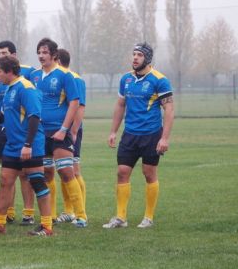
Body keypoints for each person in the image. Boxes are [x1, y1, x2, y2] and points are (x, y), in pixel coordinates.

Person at [104, 42, 174, 229]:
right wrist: (113, 131)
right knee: (122, 172)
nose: (135, 58)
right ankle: (120, 217)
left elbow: (169, 109)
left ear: (148, 59)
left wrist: (164, 138)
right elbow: (120, 105)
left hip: (151, 135)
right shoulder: (125, 79)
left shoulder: (159, 80)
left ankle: (148, 217)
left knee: (148, 173)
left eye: (139, 55)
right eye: (133, 54)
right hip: (130, 135)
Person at [0, 56, 52, 236]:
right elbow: (3, 114)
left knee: (37, 182)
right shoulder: (10, 88)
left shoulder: (26, 88)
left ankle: (47, 226)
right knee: (5, 181)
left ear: (10, 72)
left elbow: (35, 117)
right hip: (12, 146)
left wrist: (28, 144)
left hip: (30, 145)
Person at [30, 38, 87, 228]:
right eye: (39, 52)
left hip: (58, 131)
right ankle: (51, 215)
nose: (41, 56)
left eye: (45, 52)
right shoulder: (35, 76)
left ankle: (81, 215)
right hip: (40, 132)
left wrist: (65, 129)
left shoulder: (65, 75)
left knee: (66, 171)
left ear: (54, 55)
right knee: (46, 174)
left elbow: (74, 102)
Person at [0, 41, 36, 225]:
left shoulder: (27, 78)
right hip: (3, 131)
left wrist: (29, 142)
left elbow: (34, 113)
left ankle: (30, 214)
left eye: (4, 53)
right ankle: (7, 214)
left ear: (14, 55)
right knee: (6, 175)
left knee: (27, 175)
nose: (0, 56)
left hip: (23, 135)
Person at [56, 49, 88, 224]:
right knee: (63, 171)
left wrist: (73, 130)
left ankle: (79, 212)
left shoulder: (74, 78)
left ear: (58, 60)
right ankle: (69, 211)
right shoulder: (59, 77)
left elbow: (80, 106)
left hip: (70, 130)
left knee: (74, 170)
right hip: (59, 129)